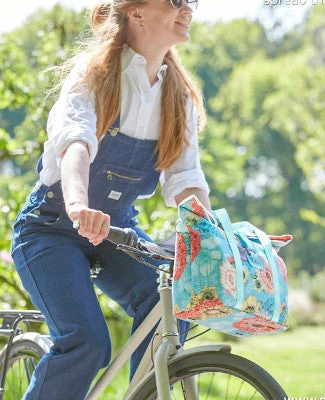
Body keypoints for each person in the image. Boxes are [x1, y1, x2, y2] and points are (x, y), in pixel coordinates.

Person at [11, 1, 211, 399]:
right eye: (176, 0)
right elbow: (76, 145)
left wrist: (209, 234)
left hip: (117, 230)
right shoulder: (96, 74)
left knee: (170, 306)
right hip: (51, 228)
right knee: (87, 341)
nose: (188, 8)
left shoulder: (178, 96)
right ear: (137, 12)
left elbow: (186, 179)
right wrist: (77, 205)